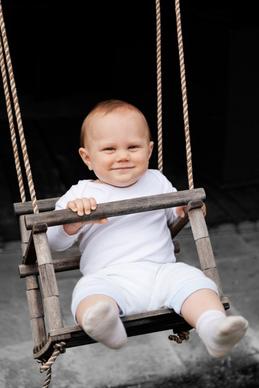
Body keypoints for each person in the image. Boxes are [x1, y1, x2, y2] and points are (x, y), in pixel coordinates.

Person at [47, 99, 248, 357]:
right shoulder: (81, 195)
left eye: (133, 147)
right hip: (109, 277)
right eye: (109, 149)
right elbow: (53, 242)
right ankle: (106, 325)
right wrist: (73, 220)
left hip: (162, 272)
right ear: (87, 157)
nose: (122, 156)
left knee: (197, 283)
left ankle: (213, 329)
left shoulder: (157, 180)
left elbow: (175, 216)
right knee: (88, 294)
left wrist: (186, 210)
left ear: (149, 150)